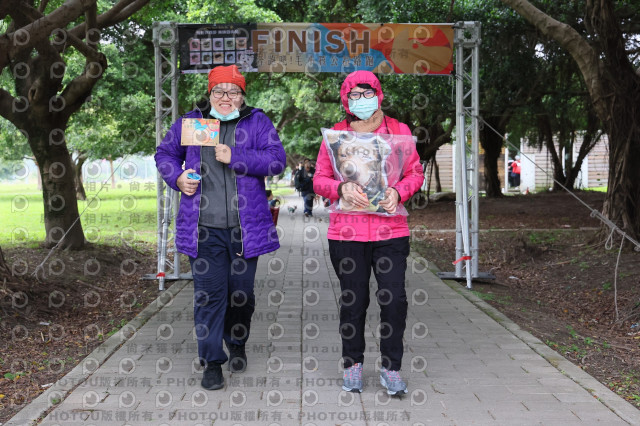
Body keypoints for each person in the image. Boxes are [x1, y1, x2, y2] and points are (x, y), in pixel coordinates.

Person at [155, 65, 286, 391]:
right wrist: (177, 177)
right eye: (219, 91)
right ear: (210, 93)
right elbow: (165, 154)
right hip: (204, 230)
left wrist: (237, 156)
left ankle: (237, 342)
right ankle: (212, 362)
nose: (225, 97)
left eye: (233, 91)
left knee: (241, 296)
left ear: (242, 96)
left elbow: (276, 161)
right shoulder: (194, 122)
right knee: (209, 296)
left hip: (244, 230)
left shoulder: (256, 122)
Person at [313, 71, 424, 395]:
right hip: (347, 234)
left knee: (394, 301)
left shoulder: (399, 132)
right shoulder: (335, 135)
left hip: (391, 232)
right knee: (354, 301)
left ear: (379, 95)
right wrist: (341, 188)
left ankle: (391, 368)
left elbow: (415, 172)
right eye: (355, 95)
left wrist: (399, 192)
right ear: (346, 99)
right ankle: (353, 364)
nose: (362, 100)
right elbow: (319, 178)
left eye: (368, 93)